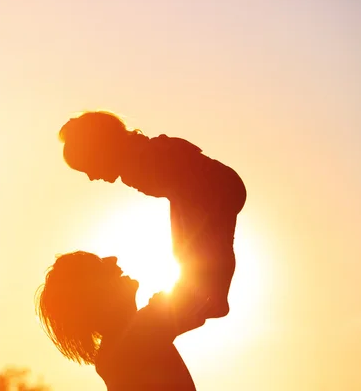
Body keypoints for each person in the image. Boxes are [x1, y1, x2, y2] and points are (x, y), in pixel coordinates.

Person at [58, 111, 247, 319]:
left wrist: (187, 236)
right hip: (205, 194)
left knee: (198, 250)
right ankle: (211, 295)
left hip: (213, 190)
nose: (92, 177)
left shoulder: (140, 159)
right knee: (201, 249)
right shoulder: (135, 161)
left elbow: (184, 183)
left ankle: (208, 295)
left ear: (102, 151)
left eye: (89, 167)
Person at [36, 251, 210, 391]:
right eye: (99, 267)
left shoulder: (114, 351)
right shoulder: (137, 335)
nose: (113, 259)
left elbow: (203, 301)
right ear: (96, 297)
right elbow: (200, 286)